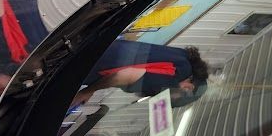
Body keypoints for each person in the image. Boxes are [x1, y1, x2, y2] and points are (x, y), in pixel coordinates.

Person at [72, 40, 210, 107]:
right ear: (188, 87)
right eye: (174, 98)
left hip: (94, 46)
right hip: (84, 65)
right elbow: (124, 76)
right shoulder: (173, 80)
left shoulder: (182, 57)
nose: (168, 97)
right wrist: (88, 91)